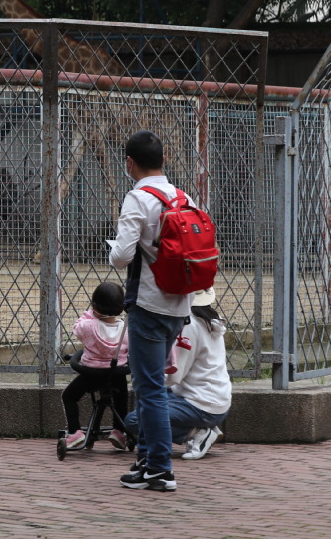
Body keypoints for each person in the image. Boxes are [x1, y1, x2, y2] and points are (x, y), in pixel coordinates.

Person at [108, 129, 195, 492]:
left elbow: (123, 256)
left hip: (148, 304)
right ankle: (146, 459)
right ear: (163, 160)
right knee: (151, 386)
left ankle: (160, 467)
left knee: (150, 389)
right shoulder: (182, 195)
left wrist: (112, 249)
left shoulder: (137, 198)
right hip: (180, 305)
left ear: (130, 163)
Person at [124, 287, 231, 460]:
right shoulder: (210, 317)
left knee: (136, 419)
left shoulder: (189, 326)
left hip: (200, 403)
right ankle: (198, 429)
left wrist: (146, 377)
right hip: (213, 398)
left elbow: (175, 375)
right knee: (151, 402)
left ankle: (197, 432)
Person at [62, 281, 130, 450]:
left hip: (91, 374)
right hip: (116, 374)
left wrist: (91, 313)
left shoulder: (89, 325)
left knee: (69, 396)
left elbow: (76, 329)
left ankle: (75, 432)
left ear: (95, 306)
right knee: (121, 397)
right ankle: (119, 431)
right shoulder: (126, 329)